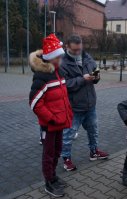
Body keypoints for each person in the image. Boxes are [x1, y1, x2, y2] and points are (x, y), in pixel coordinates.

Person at [29, 34, 73, 197]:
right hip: (49, 124)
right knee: (48, 154)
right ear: (51, 57)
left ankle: (53, 177)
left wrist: (68, 113)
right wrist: (51, 118)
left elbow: (62, 96)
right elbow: (34, 103)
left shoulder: (58, 72)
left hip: (60, 122)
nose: (61, 59)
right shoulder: (41, 76)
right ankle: (48, 183)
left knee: (57, 151)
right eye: (58, 56)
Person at [60, 34, 109, 172]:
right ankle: (66, 159)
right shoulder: (62, 63)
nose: (77, 52)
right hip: (74, 106)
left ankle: (94, 152)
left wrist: (96, 77)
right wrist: (82, 79)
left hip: (90, 104)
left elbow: (95, 73)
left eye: (79, 49)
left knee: (93, 131)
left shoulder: (87, 57)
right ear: (67, 47)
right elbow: (64, 85)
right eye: (74, 50)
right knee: (68, 134)